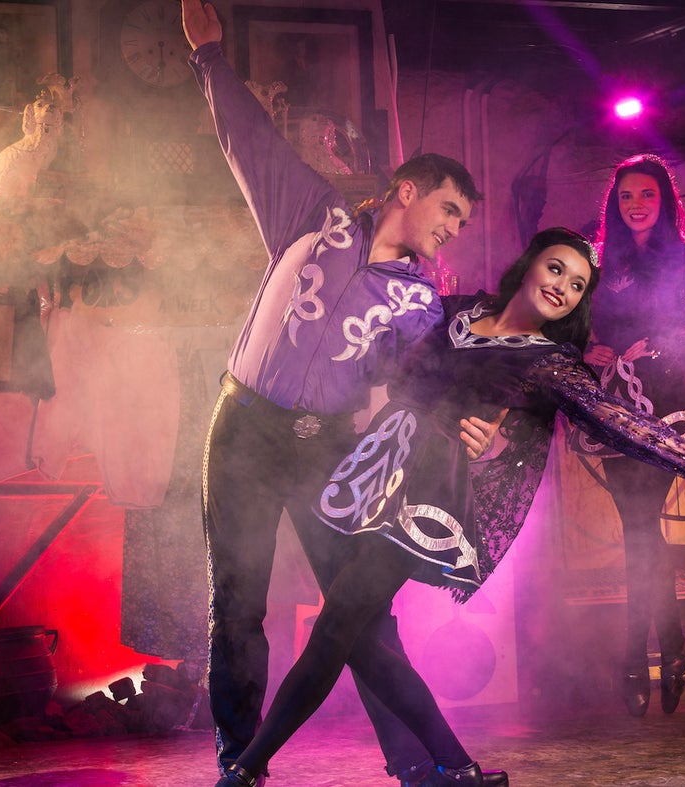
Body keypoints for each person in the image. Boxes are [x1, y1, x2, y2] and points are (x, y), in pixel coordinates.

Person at [213, 227, 685, 787]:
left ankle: (242, 770)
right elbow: (394, 356)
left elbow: (622, 422)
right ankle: (458, 768)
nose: (563, 286)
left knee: (337, 627)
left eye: (579, 285)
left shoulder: (549, 362)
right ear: (530, 263)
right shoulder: (462, 310)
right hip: (374, 478)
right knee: (364, 640)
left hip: (427, 508)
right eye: (557, 269)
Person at [181, 2, 504, 785]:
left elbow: (429, 390)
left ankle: (418, 763)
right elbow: (244, 135)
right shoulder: (309, 213)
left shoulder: (422, 302)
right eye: (449, 210)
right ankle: (241, 761)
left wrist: (473, 428)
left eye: (461, 223)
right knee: (239, 605)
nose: (452, 229)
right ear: (407, 189)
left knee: (360, 610)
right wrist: (210, 56)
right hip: (243, 429)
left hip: (328, 448)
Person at [576, 153, 685, 716]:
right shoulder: (600, 261)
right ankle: (672, 646)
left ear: (665, 200)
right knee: (639, 528)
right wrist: (586, 347)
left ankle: (635, 654)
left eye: (646, 195)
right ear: (615, 206)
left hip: (669, 402)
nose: (636, 205)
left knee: (639, 526)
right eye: (626, 197)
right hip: (615, 398)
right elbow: (573, 320)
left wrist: (663, 343)